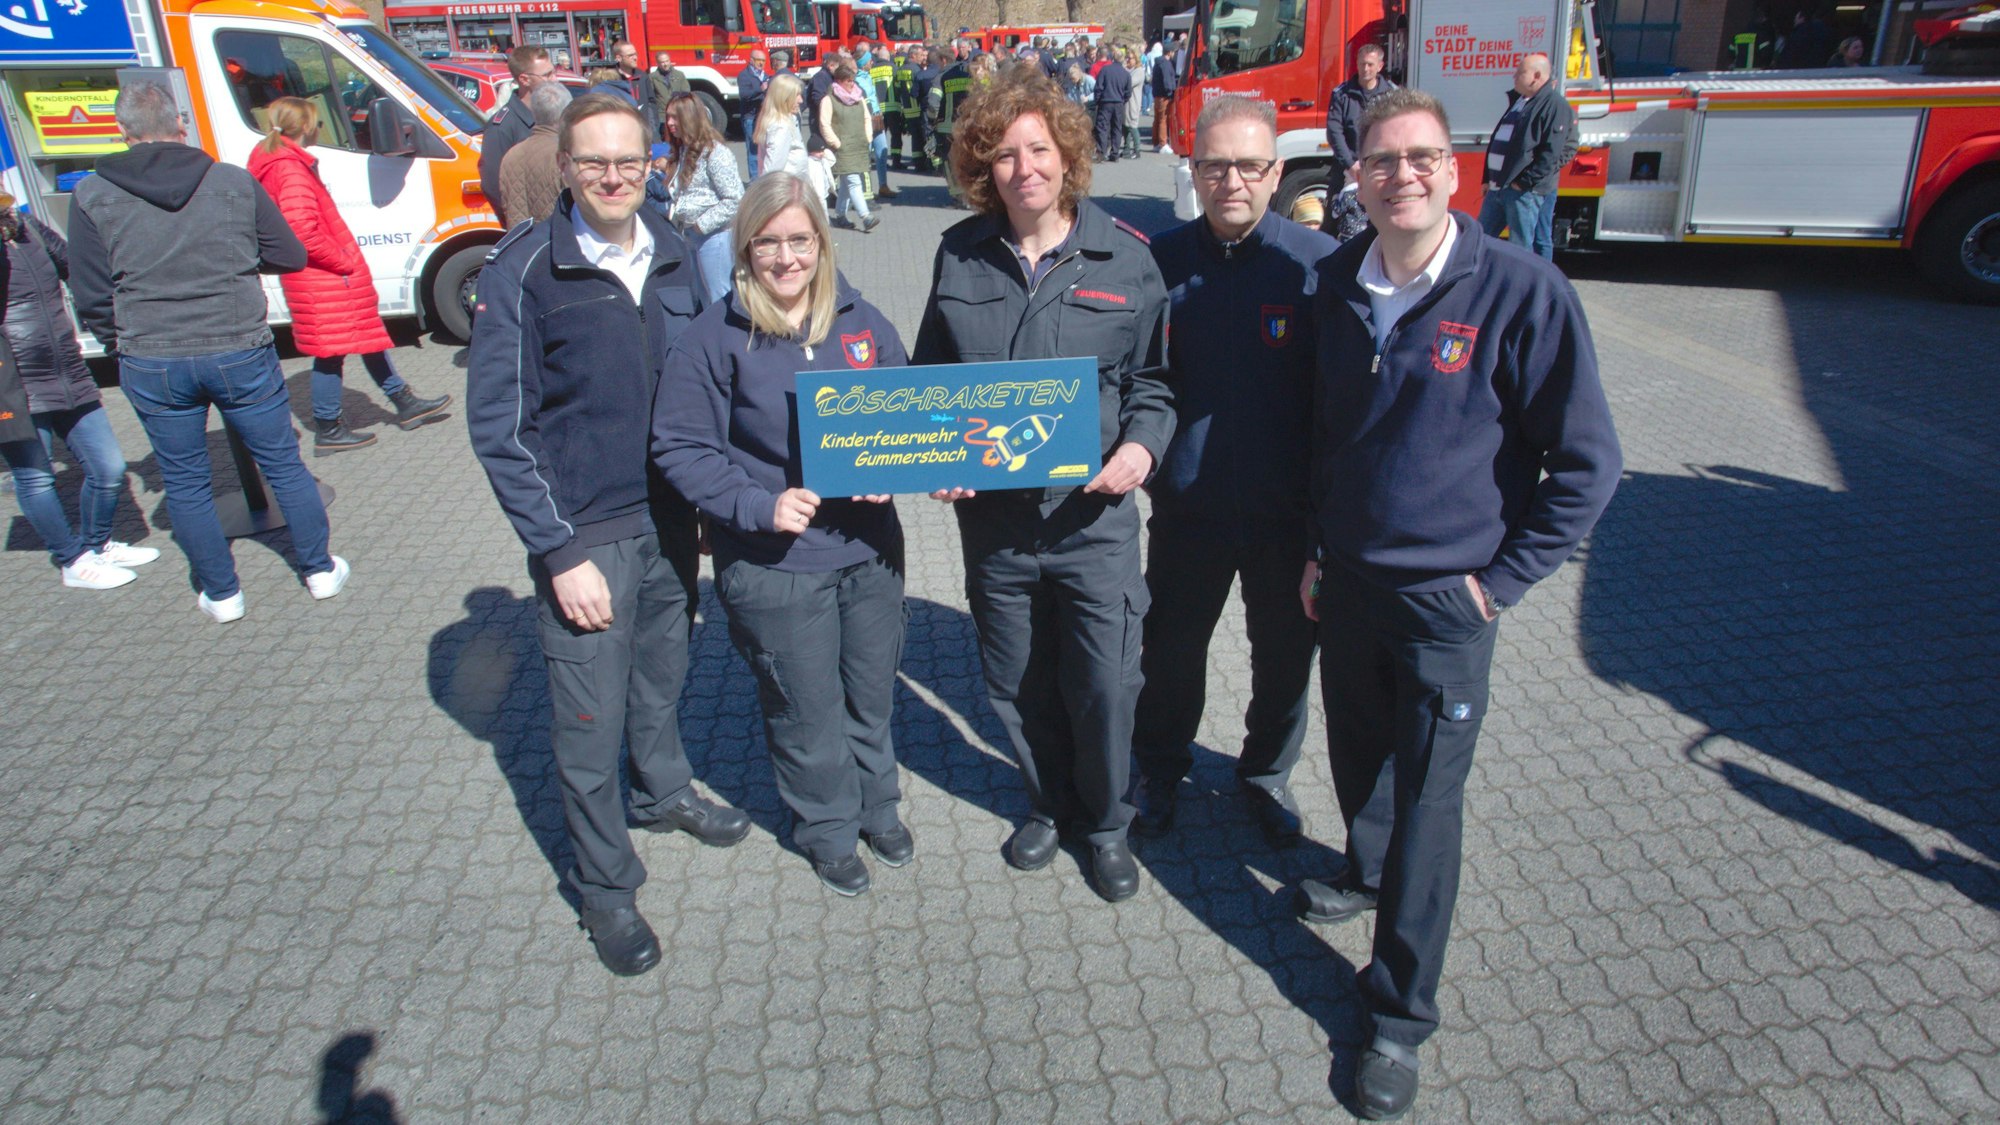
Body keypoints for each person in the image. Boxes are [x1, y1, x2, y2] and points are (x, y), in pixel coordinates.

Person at [1298, 88, 1621, 1119]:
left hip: (1448, 604)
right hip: (1345, 584)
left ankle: (1397, 1016)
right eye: (1381, 160)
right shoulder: (1331, 289)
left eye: (1421, 157)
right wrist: (1316, 549)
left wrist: (1499, 585)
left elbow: (1586, 465)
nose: (1401, 175)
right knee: (1358, 758)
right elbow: (1324, 439)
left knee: (1431, 808)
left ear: (1455, 169)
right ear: (1355, 176)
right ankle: (1362, 868)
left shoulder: (1521, 293)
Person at [466, 94, 751, 977]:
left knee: (663, 675)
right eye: (595, 162)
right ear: (565, 168)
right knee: (588, 722)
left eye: (629, 160)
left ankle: (662, 789)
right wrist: (558, 553)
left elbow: (712, 384)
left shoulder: (674, 252)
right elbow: (501, 431)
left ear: (652, 164)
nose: (614, 176)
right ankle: (604, 887)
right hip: (586, 533)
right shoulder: (523, 269)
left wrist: (714, 496)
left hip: (671, 518)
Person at [914, 72, 1174, 904]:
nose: (1023, 168)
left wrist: (1141, 449)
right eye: (1003, 155)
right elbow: (932, 386)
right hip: (997, 530)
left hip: (1092, 525)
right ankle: (1047, 804)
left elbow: (1156, 386)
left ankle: (1105, 823)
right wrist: (936, 456)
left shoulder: (1127, 258)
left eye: (1039, 150)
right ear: (981, 168)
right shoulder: (958, 253)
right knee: (1017, 681)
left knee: (1102, 685)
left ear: (1067, 156)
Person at [652, 173, 911, 897]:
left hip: (866, 548)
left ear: (822, 244)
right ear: (746, 248)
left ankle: (878, 805)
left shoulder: (859, 320)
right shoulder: (714, 337)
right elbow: (678, 445)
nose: (787, 257)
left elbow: (908, 408)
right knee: (805, 705)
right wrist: (754, 504)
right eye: (769, 242)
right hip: (776, 562)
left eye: (801, 240)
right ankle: (827, 827)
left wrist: (893, 465)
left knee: (869, 689)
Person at [1133, 96, 1334, 846]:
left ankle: (1263, 775)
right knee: (1171, 652)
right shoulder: (1160, 262)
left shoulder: (1315, 266)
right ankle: (1158, 766)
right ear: (1193, 169)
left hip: (1288, 515)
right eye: (1214, 165)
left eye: (1249, 165)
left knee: (1284, 658)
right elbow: (1135, 378)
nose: (1231, 181)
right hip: (1192, 510)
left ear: (1276, 170)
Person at [69, 83, 343, 623]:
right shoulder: (230, 182)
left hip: (151, 357)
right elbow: (287, 253)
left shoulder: (93, 194)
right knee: (284, 465)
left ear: (123, 133)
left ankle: (222, 595)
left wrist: (119, 342)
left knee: (186, 482)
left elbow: (91, 291)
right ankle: (318, 571)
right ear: (181, 125)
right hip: (237, 344)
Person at [247, 97, 450, 454]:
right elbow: (302, 230)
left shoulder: (280, 162)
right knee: (331, 352)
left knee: (366, 337)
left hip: (319, 276)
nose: (319, 130)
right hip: (323, 275)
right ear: (307, 126)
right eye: (318, 124)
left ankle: (403, 401)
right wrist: (342, 260)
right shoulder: (289, 169)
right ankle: (329, 426)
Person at [0, 196, 157, 590]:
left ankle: (97, 543)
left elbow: (78, 267)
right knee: (35, 478)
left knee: (108, 468)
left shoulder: (27, 227)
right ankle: (73, 560)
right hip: (13, 382)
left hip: (67, 370)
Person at [1477, 52, 1572, 261]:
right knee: (1480, 238)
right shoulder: (1521, 101)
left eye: (1520, 72)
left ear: (1537, 76)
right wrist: (1487, 177)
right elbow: (1500, 141)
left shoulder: (1554, 105)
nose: (1514, 76)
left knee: (1520, 247)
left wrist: (1524, 182)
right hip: (1498, 187)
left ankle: (1522, 289)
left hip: (1520, 191)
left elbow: (1551, 153)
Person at [651, 91, 745, 299]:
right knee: (701, 295)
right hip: (690, 236)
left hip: (715, 236)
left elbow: (735, 199)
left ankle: (724, 332)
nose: (669, 122)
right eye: (667, 117)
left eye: (676, 117)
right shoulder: (683, 150)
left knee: (719, 297)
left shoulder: (715, 153)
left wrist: (701, 225)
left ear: (691, 118)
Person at [1322, 43, 1397, 242]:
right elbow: (1334, 131)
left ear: (1380, 66)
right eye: (1362, 64)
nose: (1365, 69)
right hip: (1347, 170)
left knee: (1382, 221)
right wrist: (1350, 164)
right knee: (1333, 221)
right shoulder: (1342, 94)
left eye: (1370, 65)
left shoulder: (1392, 95)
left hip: (1380, 170)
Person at [481, 46, 559, 225]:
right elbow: (494, 186)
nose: (555, 80)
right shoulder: (502, 127)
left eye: (554, 72)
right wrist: (521, 220)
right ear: (525, 79)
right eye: (547, 75)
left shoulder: (555, 116)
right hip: (531, 228)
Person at [499, 80, 573, 225]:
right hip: (557, 241)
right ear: (566, 113)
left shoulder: (511, 155)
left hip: (522, 243)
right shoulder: (564, 155)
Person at [819, 59, 879, 232]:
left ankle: (840, 215)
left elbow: (867, 117)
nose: (852, 84)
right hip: (843, 147)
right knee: (854, 181)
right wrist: (836, 143)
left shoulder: (858, 98)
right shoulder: (829, 100)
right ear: (838, 81)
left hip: (858, 145)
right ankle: (866, 216)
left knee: (847, 182)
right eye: (848, 81)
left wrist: (867, 137)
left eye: (853, 81)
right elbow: (825, 124)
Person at [756, 73, 810, 182]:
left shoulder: (786, 120)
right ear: (783, 97)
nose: (801, 100)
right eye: (797, 95)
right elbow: (772, 171)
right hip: (785, 192)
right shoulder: (781, 126)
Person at [1092, 45, 1131, 161]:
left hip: (1105, 102)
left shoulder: (1105, 70)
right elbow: (1128, 91)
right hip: (1118, 103)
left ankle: (1102, 152)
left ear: (1113, 57)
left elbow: (1098, 87)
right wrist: (1123, 100)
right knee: (1117, 128)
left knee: (1103, 127)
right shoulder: (1126, 73)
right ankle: (1114, 153)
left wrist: (1097, 100)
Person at [738, 48, 771, 177]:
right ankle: (754, 181)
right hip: (750, 117)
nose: (761, 63)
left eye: (763, 60)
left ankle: (763, 177)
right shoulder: (744, 75)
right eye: (758, 60)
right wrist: (760, 89)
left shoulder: (765, 75)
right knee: (752, 149)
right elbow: (744, 95)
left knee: (764, 148)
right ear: (751, 60)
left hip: (763, 117)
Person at [648, 50, 691, 138]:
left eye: (667, 61)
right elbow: (650, 97)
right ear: (657, 63)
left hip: (679, 113)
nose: (665, 64)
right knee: (665, 138)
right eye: (662, 62)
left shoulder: (679, 75)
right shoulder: (652, 77)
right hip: (662, 115)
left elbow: (686, 92)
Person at [1150, 41, 1180, 152]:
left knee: (1157, 119)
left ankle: (1156, 142)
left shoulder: (1157, 63)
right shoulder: (1166, 64)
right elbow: (1168, 81)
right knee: (1163, 119)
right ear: (1170, 52)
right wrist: (1171, 92)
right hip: (1164, 96)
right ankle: (1163, 143)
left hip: (1157, 95)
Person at [1121, 46, 1145, 159]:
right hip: (1125, 102)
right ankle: (1126, 148)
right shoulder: (1130, 70)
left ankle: (1137, 149)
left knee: (1132, 125)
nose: (1127, 60)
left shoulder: (1139, 71)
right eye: (1126, 58)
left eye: (1130, 58)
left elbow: (1129, 83)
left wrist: (1124, 71)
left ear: (1136, 59)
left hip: (1133, 102)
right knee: (1125, 125)